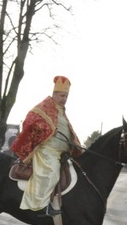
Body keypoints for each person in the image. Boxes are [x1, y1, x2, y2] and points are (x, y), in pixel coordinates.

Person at [10, 75, 82, 217]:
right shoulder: (43, 107)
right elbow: (30, 120)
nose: (64, 99)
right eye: (62, 95)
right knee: (51, 172)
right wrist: (44, 129)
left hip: (62, 152)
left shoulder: (61, 111)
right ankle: (43, 206)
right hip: (47, 150)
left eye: (66, 96)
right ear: (54, 94)